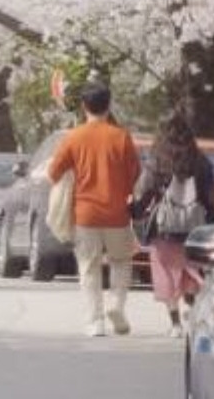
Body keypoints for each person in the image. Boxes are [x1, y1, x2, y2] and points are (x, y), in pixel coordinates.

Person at [48, 80, 140, 337]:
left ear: (83, 107)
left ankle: (95, 321)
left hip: (85, 213)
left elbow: (54, 172)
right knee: (121, 261)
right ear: (108, 105)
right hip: (117, 213)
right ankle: (116, 305)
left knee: (89, 267)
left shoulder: (74, 137)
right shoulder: (121, 137)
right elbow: (135, 173)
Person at [134, 110, 214, 338]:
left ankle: (175, 325)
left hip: (165, 229)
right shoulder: (200, 161)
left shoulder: (158, 160)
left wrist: (136, 211)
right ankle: (192, 313)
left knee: (166, 273)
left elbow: (146, 191)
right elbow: (211, 197)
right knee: (191, 271)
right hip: (194, 228)